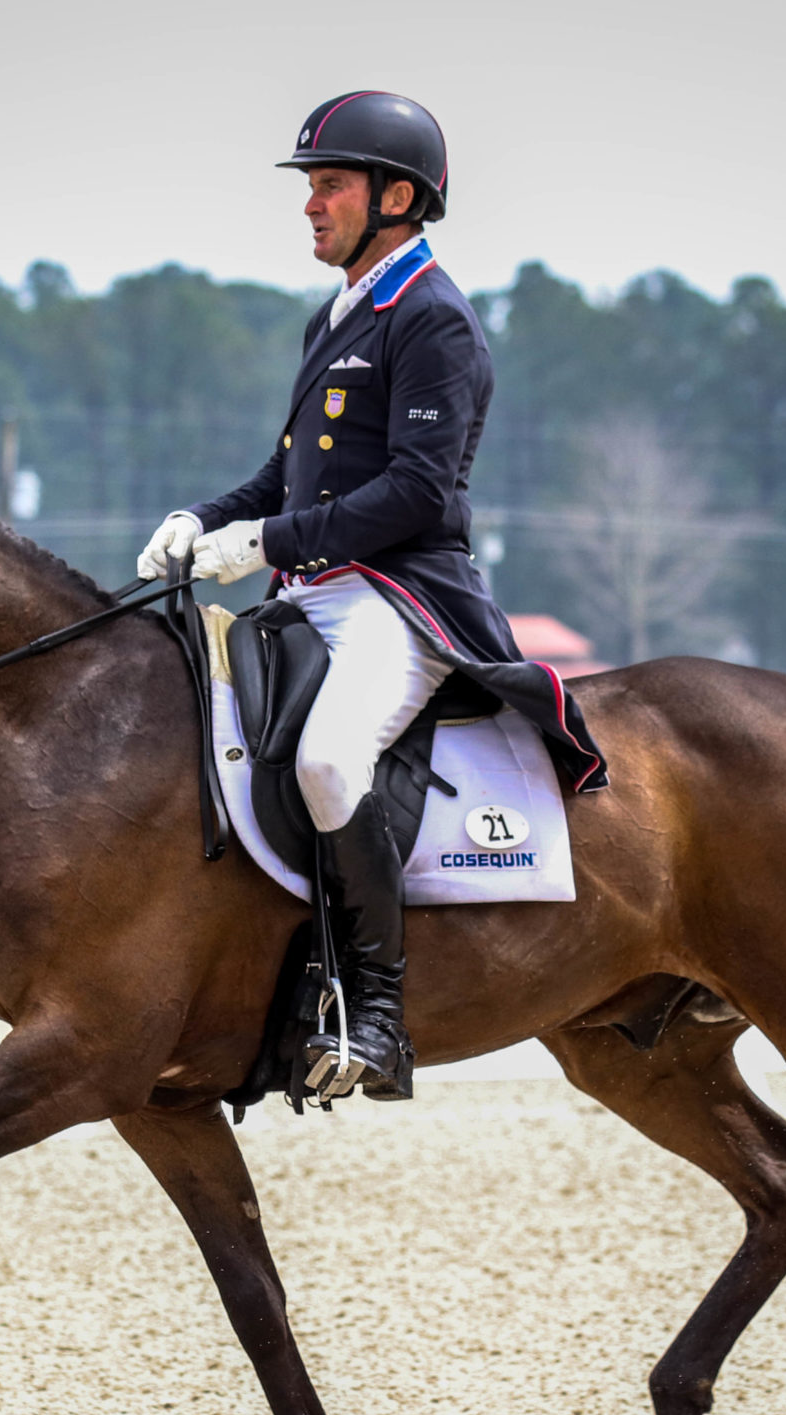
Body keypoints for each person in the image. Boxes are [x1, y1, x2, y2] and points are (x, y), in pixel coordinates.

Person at [136, 91, 605, 1102]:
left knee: (327, 757)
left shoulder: (433, 322)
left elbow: (413, 494)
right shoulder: (340, 314)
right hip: (311, 598)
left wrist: (265, 541)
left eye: (331, 185)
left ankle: (378, 1016)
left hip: (399, 603)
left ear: (398, 197)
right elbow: (289, 468)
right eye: (310, 186)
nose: (311, 205)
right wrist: (204, 516)